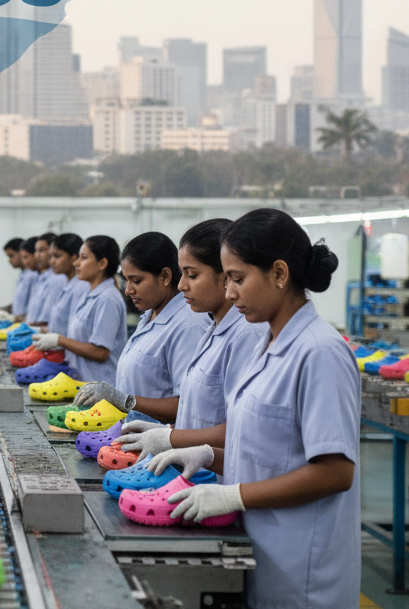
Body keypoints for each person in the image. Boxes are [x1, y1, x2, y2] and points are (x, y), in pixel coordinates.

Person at [144, 209, 360, 609]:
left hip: (301, 571)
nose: (229, 293)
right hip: (259, 552)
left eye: (238, 279)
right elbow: (268, 453)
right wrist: (208, 455)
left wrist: (234, 496)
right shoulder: (267, 345)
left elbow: (335, 471)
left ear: (279, 273)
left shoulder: (319, 352)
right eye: (227, 280)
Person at [115, 219, 264, 459]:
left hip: (218, 475)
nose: (182, 285)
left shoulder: (245, 334)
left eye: (192, 275)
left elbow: (245, 429)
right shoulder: (213, 329)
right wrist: (169, 433)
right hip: (195, 471)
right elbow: (197, 411)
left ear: (227, 276)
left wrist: (170, 438)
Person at [72, 231, 209, 422]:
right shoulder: (149, 316)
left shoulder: (188, 326)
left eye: (136, 281)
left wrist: (124, 400)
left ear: (165, 276)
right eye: (126, 280)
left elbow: (187, 405)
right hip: (131, 433)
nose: (128, 290)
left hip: (159, 438)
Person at [34, 235, 127, 383]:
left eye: (83, 258)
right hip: (83, 382)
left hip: (101, 386)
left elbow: (100, 352)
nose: (76, 263)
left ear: (102, 263)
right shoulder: (89, 295)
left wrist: (59, 340)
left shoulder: (107, 299)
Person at [43, 233, 88, 337]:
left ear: (73, 259)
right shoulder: (68, 284)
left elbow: (74, 331)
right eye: (50, 256)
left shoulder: (80, 287)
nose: (52, 261)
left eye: (57, 256)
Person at [25, 232, 63, 327]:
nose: (37, 255)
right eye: (36, 251)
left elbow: (47, 320)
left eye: (41, 250)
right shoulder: (40, 278)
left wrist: (29, 328)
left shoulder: (57, 279)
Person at [12, 237, 39, 321]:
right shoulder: (26, 274)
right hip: (28, 322)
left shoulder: (32, 275)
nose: (24, 262)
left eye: (26, 257)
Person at [4, 238, 32, 316]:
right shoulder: (22, 275)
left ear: (21, 253)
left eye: (11, 256)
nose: (9, 261)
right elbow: (18, 304)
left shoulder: (32, 275)